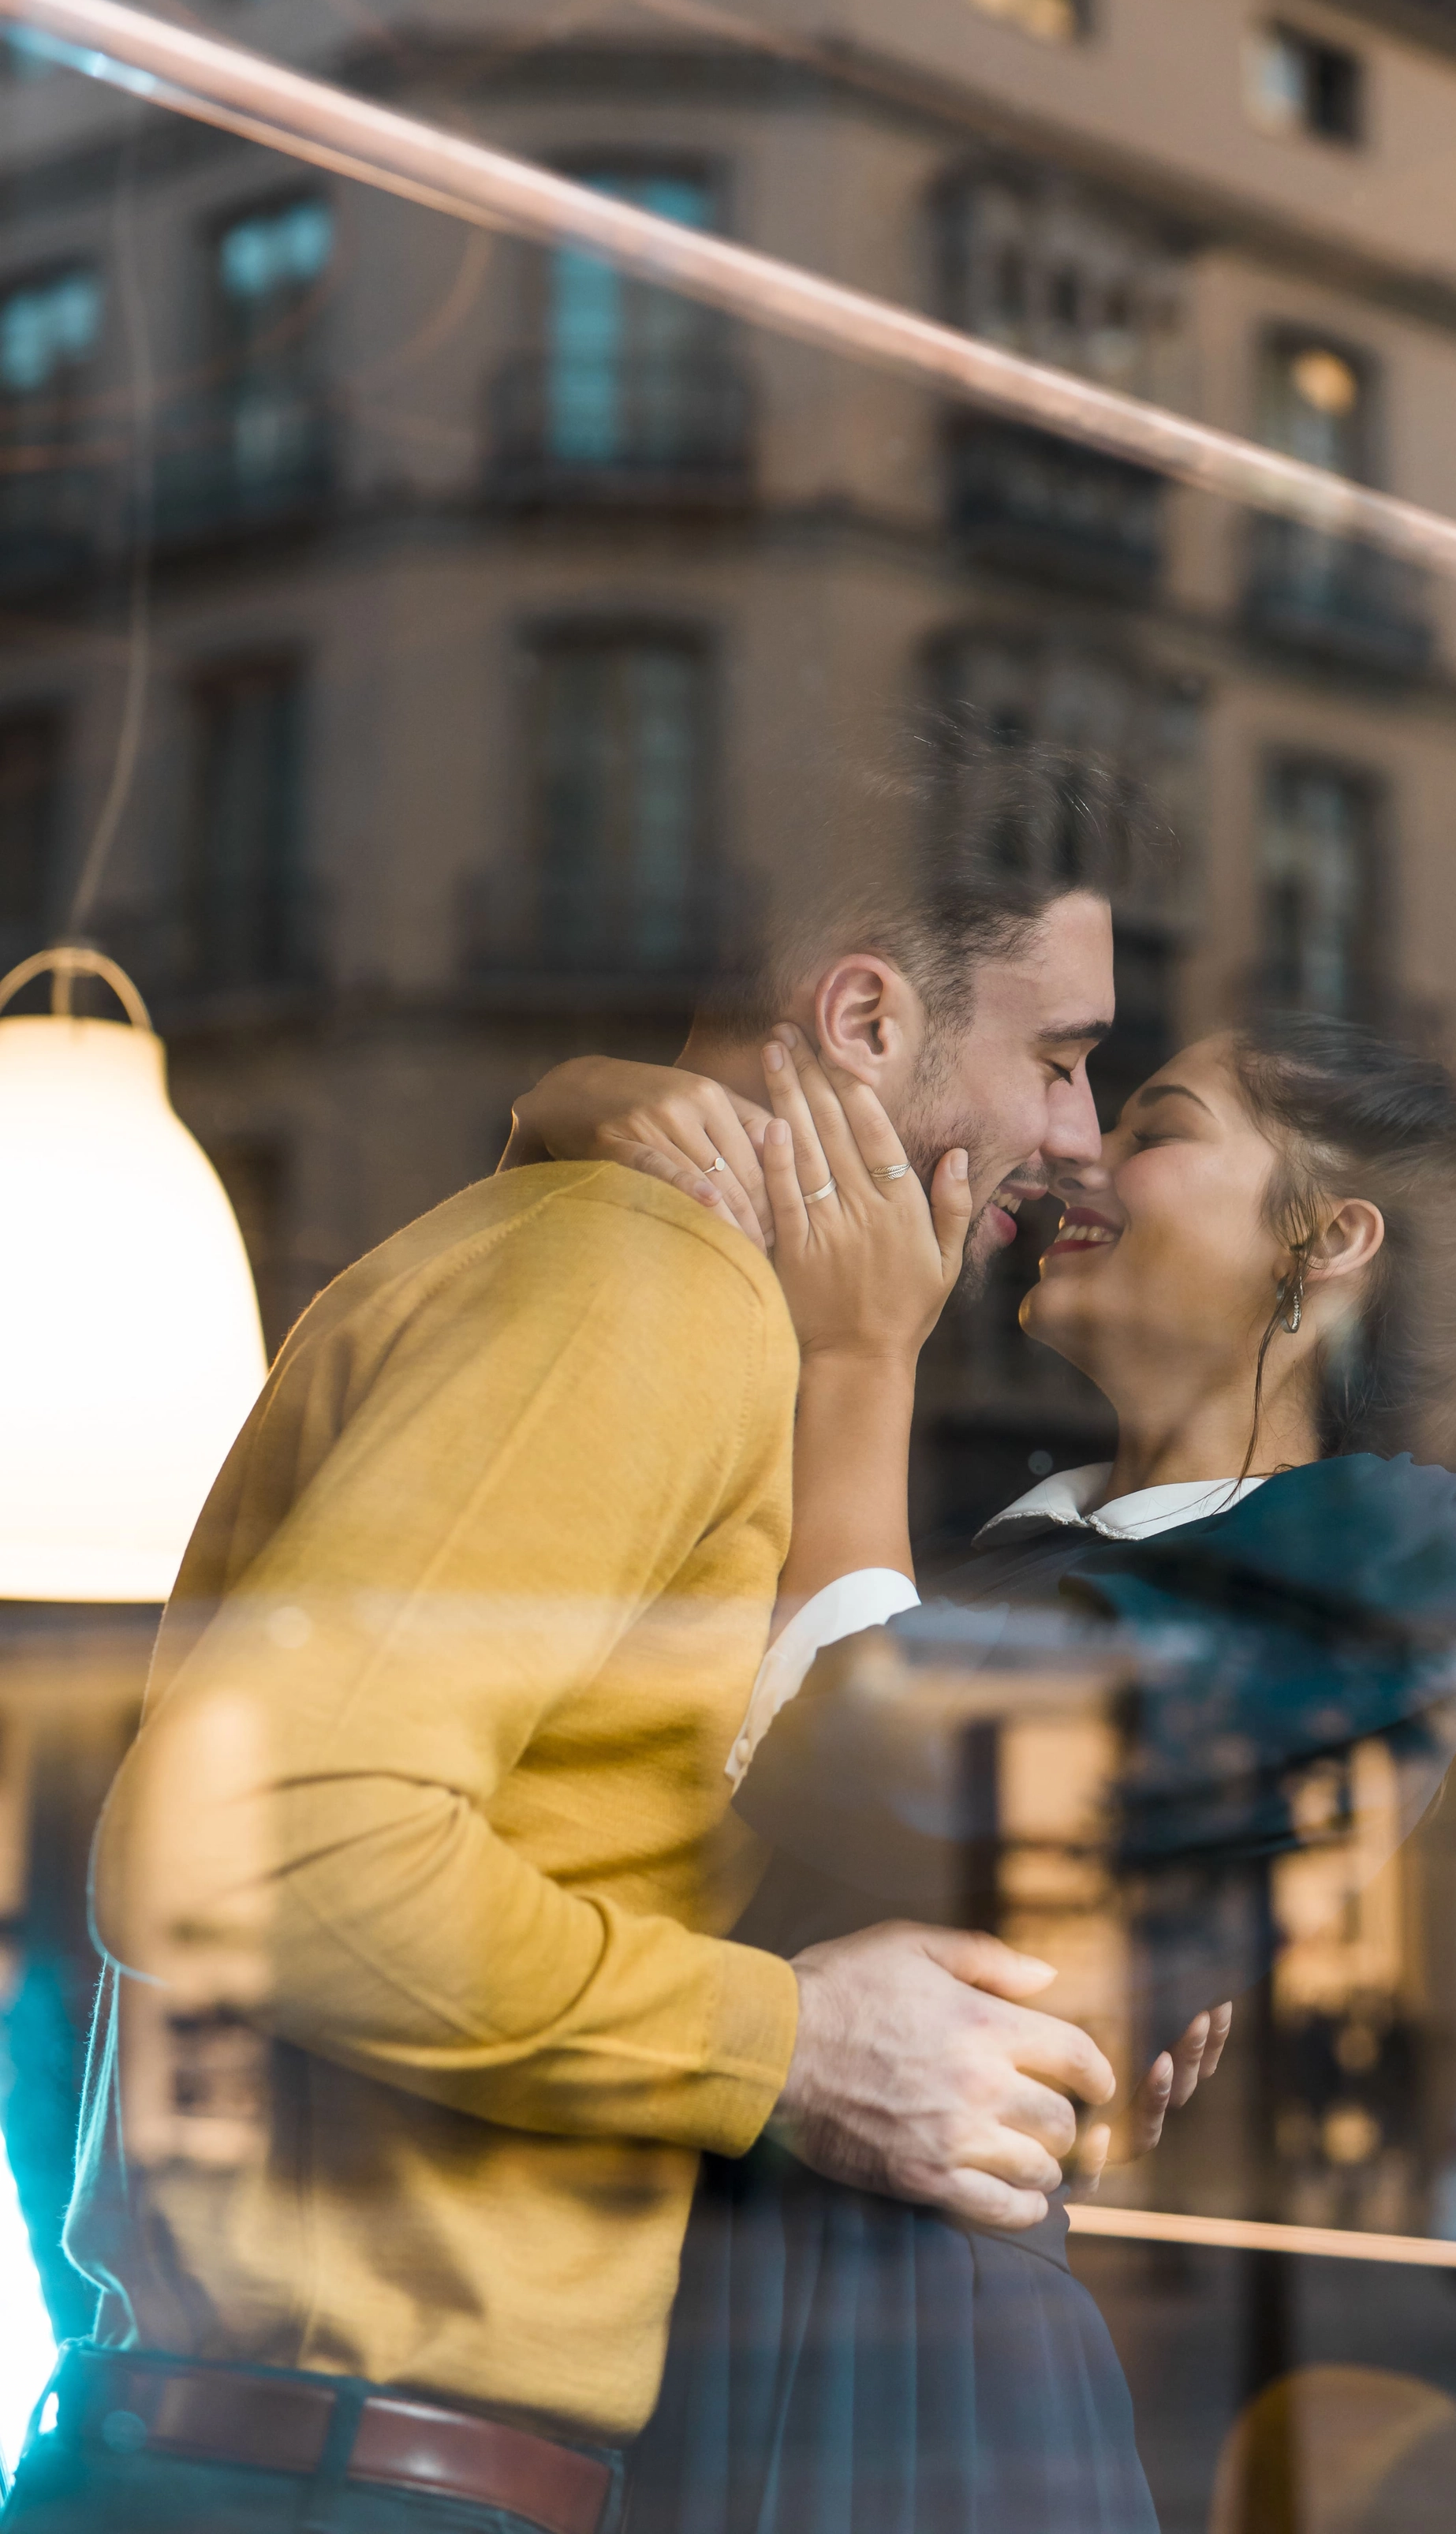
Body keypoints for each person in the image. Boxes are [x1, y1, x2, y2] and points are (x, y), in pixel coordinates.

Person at [7, 749, 1130, 2534]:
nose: (1077, 1135)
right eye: (1058, 1058)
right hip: (339, 2486)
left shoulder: (641, 1280)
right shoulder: (641, 1284)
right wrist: (788, 2051)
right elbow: (261, 1841)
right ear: (861, 1014)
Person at [504, 1010, 1456, 2534]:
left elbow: (879, 1765)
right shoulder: (1016, 1555)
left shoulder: (1401, 1544)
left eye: (1158, 1127)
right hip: (687, 2308)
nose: (1082, 1154)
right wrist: (563, 1096)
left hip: (906, 2357)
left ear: (1327, 1235)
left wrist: (858, 1358)